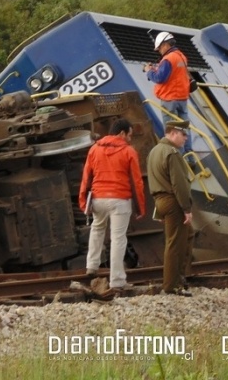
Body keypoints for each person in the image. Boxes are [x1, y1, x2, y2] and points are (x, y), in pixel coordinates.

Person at [79, 118, 146, 292]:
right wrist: (140, 207)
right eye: (129, 135)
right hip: (120, 200)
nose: (130, 139)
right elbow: (137, 182)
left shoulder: (94, 149)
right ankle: (117, 280)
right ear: (122, 133)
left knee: (97, 228)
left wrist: (82, 199)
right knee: (118, 238)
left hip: (98, 198)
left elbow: (86, 177)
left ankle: (91, 265)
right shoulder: (129, 151)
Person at [147, 119, 195, 295]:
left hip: (161, 200)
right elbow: (179, 184)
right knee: (175, 243)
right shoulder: (172, 153)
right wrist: (187, 209)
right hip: (173, 201)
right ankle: (171, 285)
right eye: (183, 134)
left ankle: (180, 276)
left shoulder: (155, 151)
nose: (185, 138)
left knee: (188, 235)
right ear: (173, 132)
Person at [144, 31, 193, 157]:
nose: (159, 51)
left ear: (165, 44)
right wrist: (156, 69)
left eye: (160, 48)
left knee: (172, 130)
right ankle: (189, 157)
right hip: (182, 98)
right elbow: (174, 74)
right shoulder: (181, 56)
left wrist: (149, 71)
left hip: (170, 98)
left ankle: (178, 157)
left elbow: (160, 78)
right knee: (184, 128)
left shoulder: (168, 59)